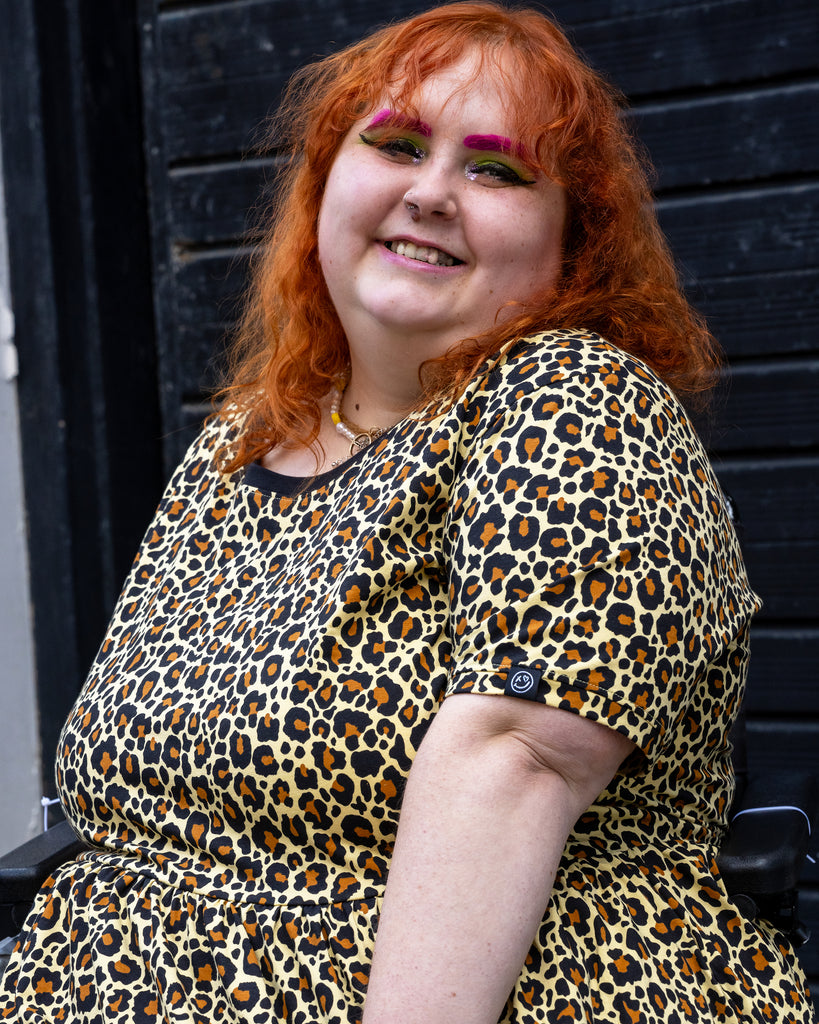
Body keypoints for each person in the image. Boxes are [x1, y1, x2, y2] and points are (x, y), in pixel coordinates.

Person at [1, 3, 813, 1022]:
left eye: (496, 169)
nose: (429, 193)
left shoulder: (573, 402)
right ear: (323, 185)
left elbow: (516, 760)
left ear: (571, 245)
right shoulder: (243, 440)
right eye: (395, 146)